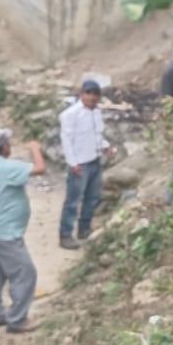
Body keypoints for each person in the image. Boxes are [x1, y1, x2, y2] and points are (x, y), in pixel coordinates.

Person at [0, 126, 47, 333]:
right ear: (4, 147)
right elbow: (40, 168)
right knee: (25, 273)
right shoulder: (7, 168)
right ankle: (17, 319)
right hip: (7, 233)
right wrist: (35, 148)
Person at [58, 80, 112, 249]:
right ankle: (65, 235)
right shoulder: (70, 114)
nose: (92, 97)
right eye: (88, 93)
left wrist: (105, 147)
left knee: (92, 198)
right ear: (81, 94)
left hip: (94, 160)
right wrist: (72, 163)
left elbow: (96, 136)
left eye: (95, 93)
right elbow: (66, 140)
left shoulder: (96, 112)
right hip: (79, 164)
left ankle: (84, 229)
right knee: (73, 201)